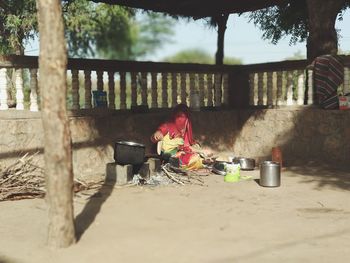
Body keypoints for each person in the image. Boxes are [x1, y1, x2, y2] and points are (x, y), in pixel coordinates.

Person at [151, 104, 205, 170]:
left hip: (183, 153)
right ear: (174, 116)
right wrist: (156, 135)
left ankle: (204, 161)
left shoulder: (186, 130)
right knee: (193, 158)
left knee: (197, 149)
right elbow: (158, 133)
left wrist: (202, 151)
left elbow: (188, 146)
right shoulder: (168, 126)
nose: (180, 119)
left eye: (183, 116)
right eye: (178, 116)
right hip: (172, 156)